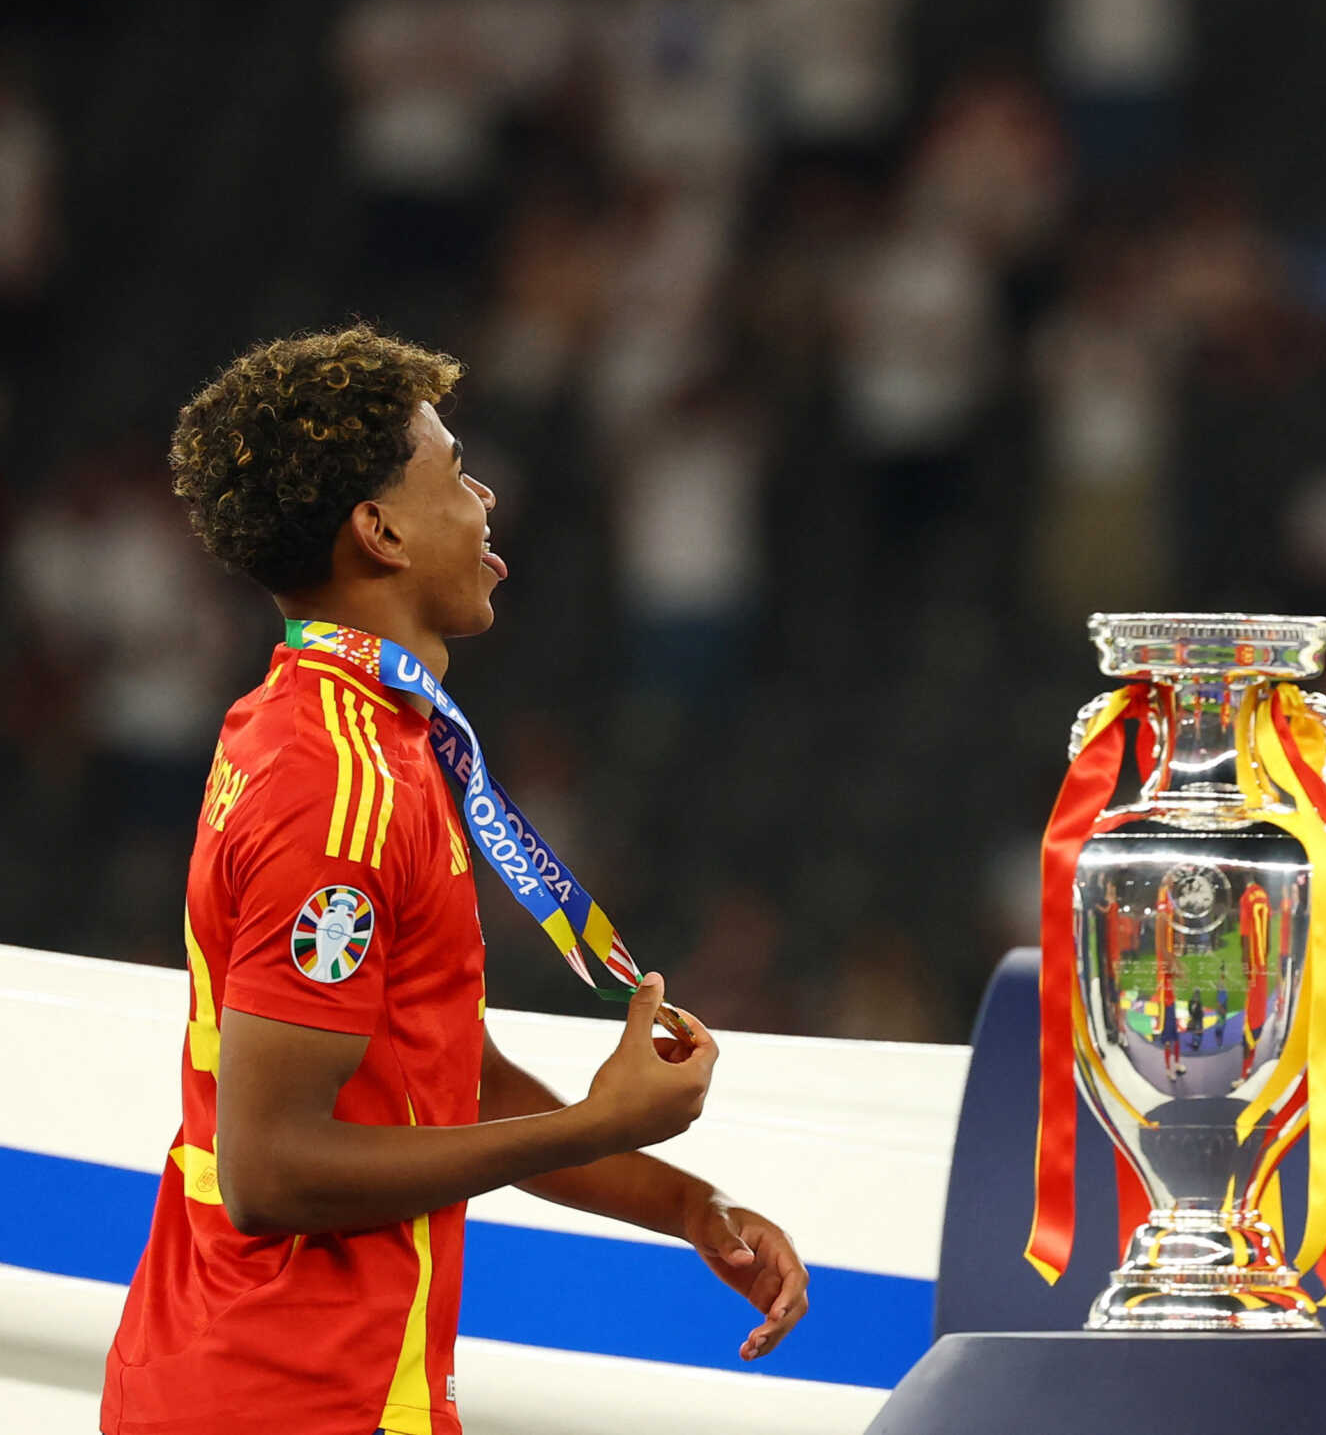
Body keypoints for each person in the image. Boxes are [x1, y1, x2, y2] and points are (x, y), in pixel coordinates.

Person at [104, 326, 810, 1435]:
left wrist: (686, 1205)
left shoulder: (349, 736)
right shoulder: (339, 785)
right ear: (378, 530)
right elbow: (271, 1168)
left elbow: (447, 1083)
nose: (484, 495)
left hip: (284, 1375)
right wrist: (589, 1125)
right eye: (453, 468)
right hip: (290, 1394)